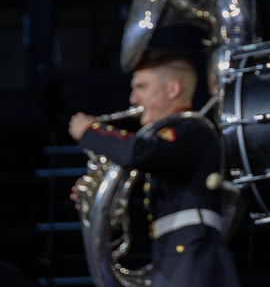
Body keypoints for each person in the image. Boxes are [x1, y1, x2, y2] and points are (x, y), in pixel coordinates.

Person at [68, 49, 242, 287]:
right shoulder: (168, 148)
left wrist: (91, 133)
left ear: (172, 89)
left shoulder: (191, 129)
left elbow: (137, 151)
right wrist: (96, 198)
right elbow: (152, 221)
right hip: (171, 257)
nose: (133, 99)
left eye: (141, 87)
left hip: (192, 257)